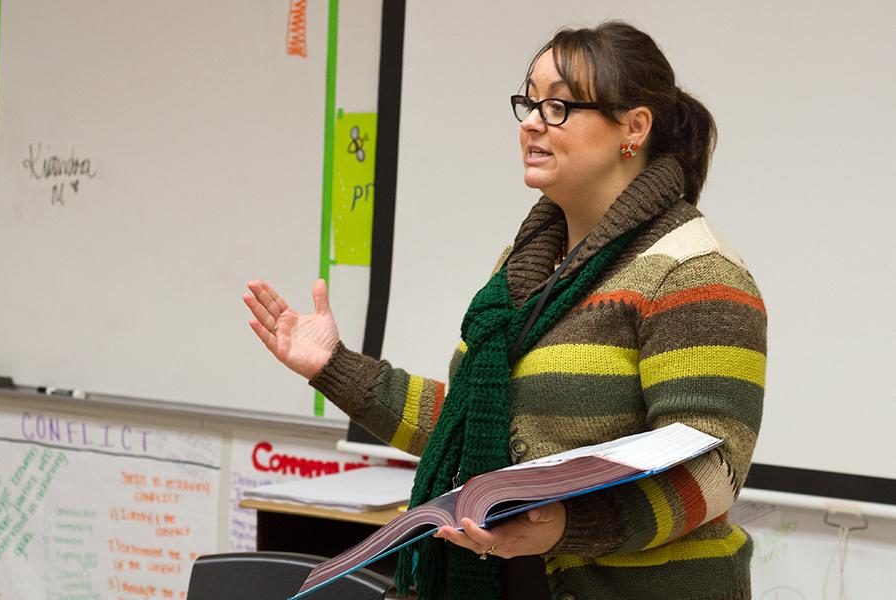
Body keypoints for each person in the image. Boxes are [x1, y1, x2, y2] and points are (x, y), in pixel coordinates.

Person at [244, 20, 766, 600]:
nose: (532, 123)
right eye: (529, 103)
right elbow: (467, 427)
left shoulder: (693, 271)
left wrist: (568, 527)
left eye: (560, 106)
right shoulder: (521, 269)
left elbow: (712, 472)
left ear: (633, 128)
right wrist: (333, 366)